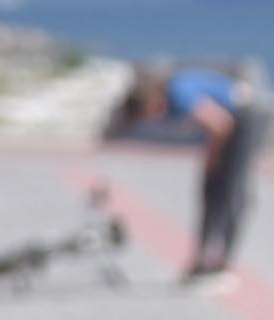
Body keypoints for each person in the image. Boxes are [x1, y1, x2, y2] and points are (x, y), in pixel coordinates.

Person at [114, 64, 265, 288]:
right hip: (231, 123)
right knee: (210, 194)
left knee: (230, 195)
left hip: (242, 121)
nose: (155, 119)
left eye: (150, 114)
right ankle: (201, 261)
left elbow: (220, 124)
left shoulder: (178, 93)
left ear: (150, 102)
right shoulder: (173, 93)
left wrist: (212, 159)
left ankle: (222, 266)